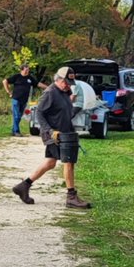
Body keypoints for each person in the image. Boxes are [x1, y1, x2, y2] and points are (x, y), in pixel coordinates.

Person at [12, 67, 92, 209]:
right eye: (66, 82)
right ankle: (71, 197)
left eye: (70, 82)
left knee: (50, 163)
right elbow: (39, 114)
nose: (68, 85)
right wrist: (50, 131)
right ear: (58, 79)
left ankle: (23, 186)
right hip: (55, 134)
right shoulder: (50, 93)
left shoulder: (65, 91)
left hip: (65, 132)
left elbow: (65, 111)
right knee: (68, 162)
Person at [2, 63, 48, 135]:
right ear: (22, 70)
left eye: (28, 70)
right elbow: (5, 81)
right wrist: (8, 92)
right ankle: (17, 131)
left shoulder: (30, 78)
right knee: (16, 115)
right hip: (16, 99)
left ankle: (14, 130)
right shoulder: (17, 77)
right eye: (26, 70)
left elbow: (38, 84)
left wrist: (48, 87)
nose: (27, 71)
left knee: (19, 116)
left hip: (24, 100)